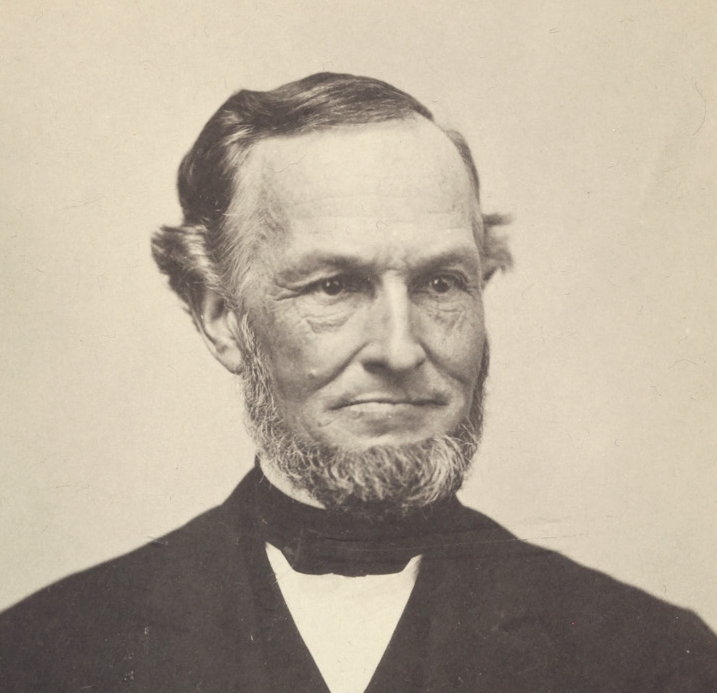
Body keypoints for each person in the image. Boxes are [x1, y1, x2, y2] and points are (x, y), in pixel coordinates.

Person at [1, 72, 715, 692]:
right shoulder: (43, 657)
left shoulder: (652, 659)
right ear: (221, 318)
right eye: (334, 286)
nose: (400, 349)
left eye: (441, 283)